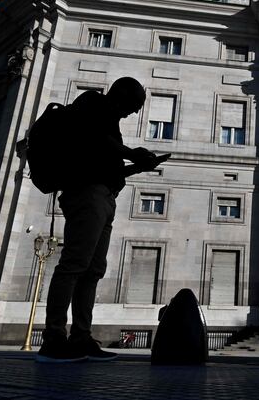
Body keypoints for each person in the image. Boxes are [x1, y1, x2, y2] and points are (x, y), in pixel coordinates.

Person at [37, 77, 165, 363]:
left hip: (105, 196)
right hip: (86, 192)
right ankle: (54, 338)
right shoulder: (92, 103)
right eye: (133, 105)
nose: (132, 113)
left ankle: (81, 336)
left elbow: (108, 168)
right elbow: (93, 137)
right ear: (120, 94)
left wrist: (138, 166)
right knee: (74, 264)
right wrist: (133, 152)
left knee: (93, 269)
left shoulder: (112, 124)